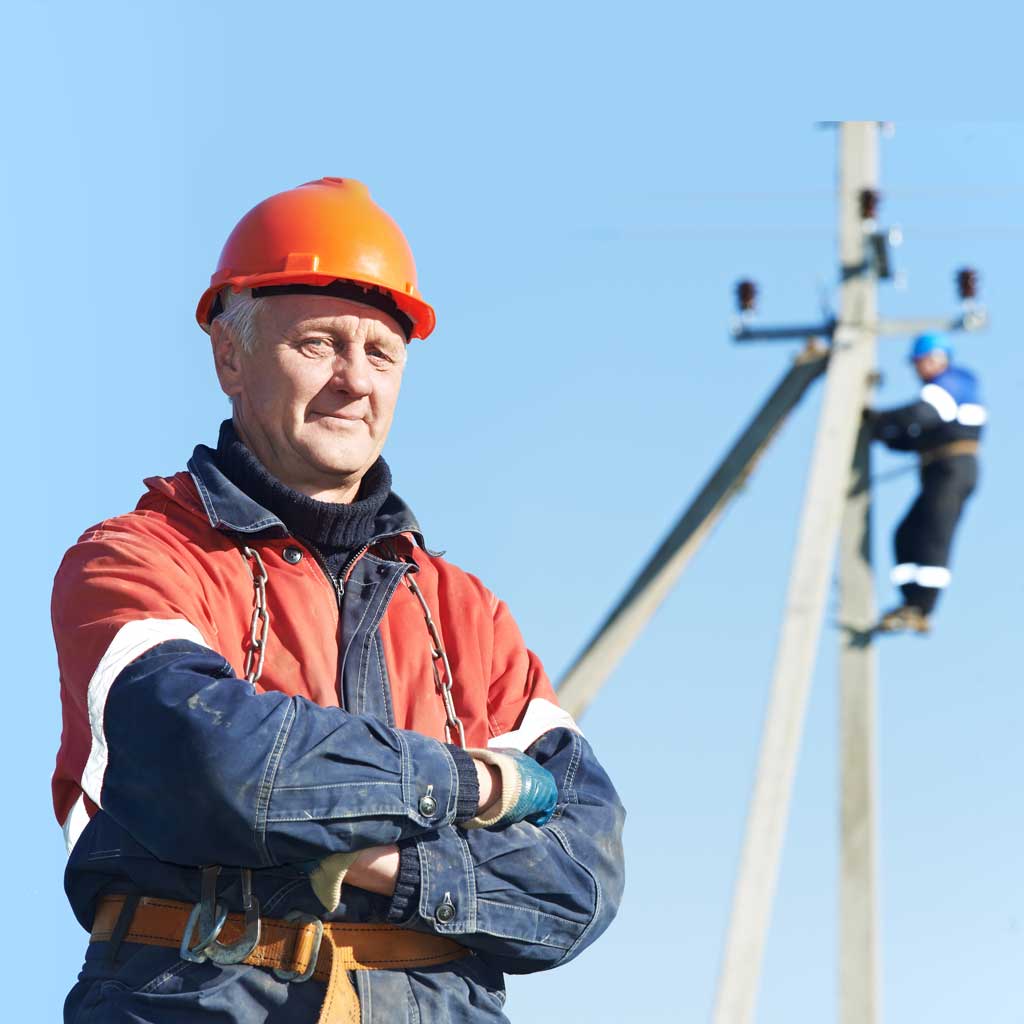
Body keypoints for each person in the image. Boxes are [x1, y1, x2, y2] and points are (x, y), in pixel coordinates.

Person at [52, 177, 625, 1023]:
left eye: (381, 353)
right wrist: (476, 787)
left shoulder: (469, 615)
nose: (354, 382)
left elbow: (580, 880)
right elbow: (213, 764)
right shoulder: (139, 559)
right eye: (319, 344)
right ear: (229, 357)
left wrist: (370, 859)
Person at [866, 333, 984, 633]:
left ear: (937, 359)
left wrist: (881, 419)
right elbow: (921, 434)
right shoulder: (946, 388)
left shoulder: (954, 383)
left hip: (953, 470)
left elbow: (924, 414)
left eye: (921, 362)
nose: (918, 369)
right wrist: (887, 434)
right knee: (906, 535)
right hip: (940, 468)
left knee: (934, 536)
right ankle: (911, 602)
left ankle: (924, 606)